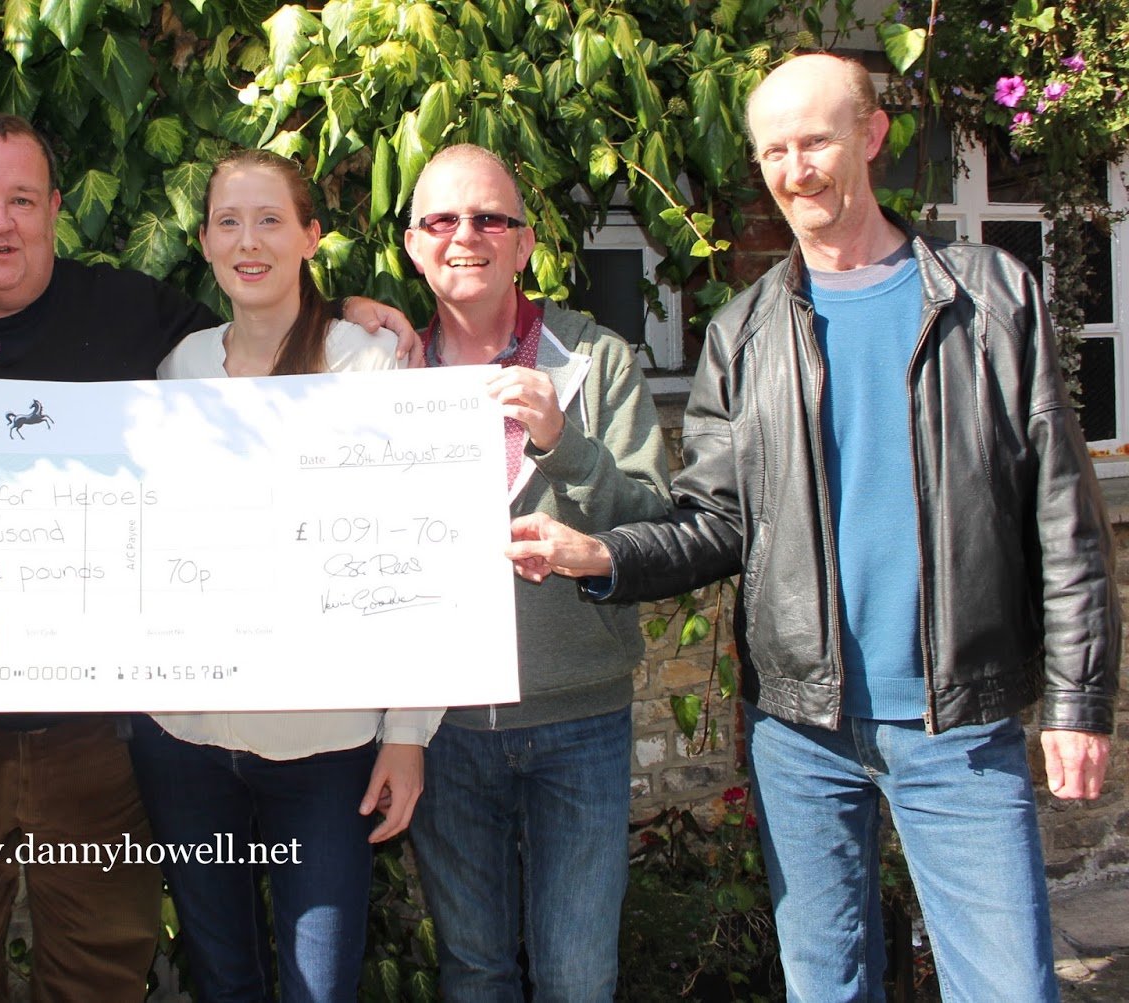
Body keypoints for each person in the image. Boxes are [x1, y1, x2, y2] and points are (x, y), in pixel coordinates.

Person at [506, 53, 1119, 1002]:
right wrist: (602, 555)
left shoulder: (991, 298)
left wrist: (1078, 703)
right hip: (799, 732)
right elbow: (716, 524)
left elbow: (1065, 514)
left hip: (956, 722)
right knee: (825, 986)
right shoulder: (742, 332)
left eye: (816, 141)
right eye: (774, 151)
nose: (796, 170)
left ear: (871, 137)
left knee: (1007, 986)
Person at [0, 114, 421, 1002]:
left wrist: (345, 311)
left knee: (100, 968)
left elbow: (263, 322)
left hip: (95, 739)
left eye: (22, 199)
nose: (1, 222)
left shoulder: (135, 318)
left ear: (55, 209)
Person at [125, 148, 444, 1003]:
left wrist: (409, 731)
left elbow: (419, 551)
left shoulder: (367, 364)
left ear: (311, 235)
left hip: (326, 746)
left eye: (270, 219)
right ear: (203, 241)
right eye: (228, 221)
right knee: (223, 979)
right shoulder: (180, 368)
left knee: (320, 986)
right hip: (187, 739)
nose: (248, 240)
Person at [399, 144, 672, 1000]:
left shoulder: (594, 357)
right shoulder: (385, 371)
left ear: (523, 244)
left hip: (578, 716)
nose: (465, 236)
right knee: (474, 969)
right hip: (442, 724)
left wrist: (564, 443)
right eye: (442, 219)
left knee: (577, 975)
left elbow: (656, 525)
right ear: (414, 245)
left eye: (490, 219)